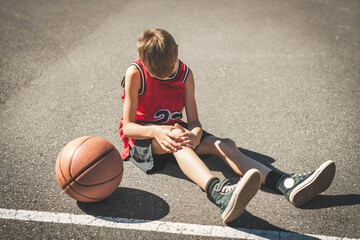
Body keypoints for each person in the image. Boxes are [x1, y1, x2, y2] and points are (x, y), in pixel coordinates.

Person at [119, 29, 336, 223]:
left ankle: (285, 183)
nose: (166, 77)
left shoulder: (185, 74)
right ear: (144, 62)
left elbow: (194, 121)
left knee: (225, 145)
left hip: (174, 129)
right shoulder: (135, 73)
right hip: (143, 139)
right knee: (178, 141)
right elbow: (128, 127)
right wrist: (157, 130)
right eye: (159, 75)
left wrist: (195, 135)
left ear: (177, 51)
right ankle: (219, 193)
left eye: (169, 72)